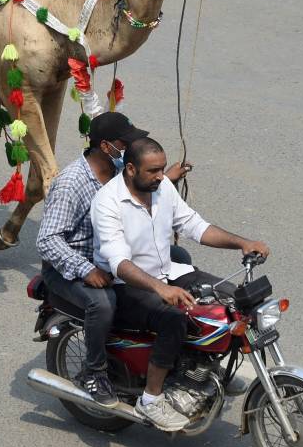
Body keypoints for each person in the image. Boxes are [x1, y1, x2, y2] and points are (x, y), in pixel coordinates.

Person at [91, 137, 269, 431]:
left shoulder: (162, 190)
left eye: (162, 169)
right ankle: (152, 399)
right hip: (126, 285)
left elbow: (195, 226)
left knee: (232, 301)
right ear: (132, 169)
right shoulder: (108, 202)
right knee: (173, 319)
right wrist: (161, 289)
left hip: (168, 271)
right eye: (153, 171)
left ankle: (204, 370)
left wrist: (242, 242)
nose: (162, 176)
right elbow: (118, 262)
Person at [36, 114, 190, 407]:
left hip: (110, 255)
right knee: (102, 302)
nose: (132, 146)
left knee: (179, 257)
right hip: (70, 266)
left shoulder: (119, 168)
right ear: (106, 146)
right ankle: (94, 373)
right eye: (125, 142)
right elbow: (47, 241)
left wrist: (165, 178)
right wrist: (86, 269)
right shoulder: (71, 184)